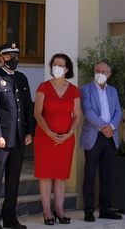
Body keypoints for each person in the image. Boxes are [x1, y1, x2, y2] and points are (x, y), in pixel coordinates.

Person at [0, 43, 35, 229]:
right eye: (9, 56)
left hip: (19, 138)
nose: (14, 59)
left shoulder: (22, 79)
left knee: (13, 180)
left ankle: (10, 217)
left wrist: (30, 131)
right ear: (1, 58)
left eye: (16, 55)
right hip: (2, 139)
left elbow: (28, 107)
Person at [34, 53, 83, 225]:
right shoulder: (43, 87)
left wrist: (69, 133)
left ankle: (60, 211)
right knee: (46, 175)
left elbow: (77, 115)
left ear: (67, 69)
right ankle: (47, 212)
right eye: (54, 64)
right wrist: (49, 133)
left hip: (66, 139)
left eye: (61, 65)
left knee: (61, 176)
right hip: (45, 138)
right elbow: (37, 114)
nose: (57, 67)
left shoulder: (74, 90)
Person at [80, 60, 124, 222]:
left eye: (104, 71)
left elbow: (118, 111)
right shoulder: (85, 90)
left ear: (109, 74)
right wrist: (103, 127)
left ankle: (105, 208)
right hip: (94, 136)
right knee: (90, 174)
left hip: (110, 137)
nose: (100, 74)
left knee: (107, 175)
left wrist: (111, 127)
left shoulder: (113, 91)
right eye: (98, 70)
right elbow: (88, 111)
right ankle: (89, 210)